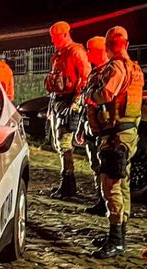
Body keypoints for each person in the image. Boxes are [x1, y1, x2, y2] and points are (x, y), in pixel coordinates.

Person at [85, 27, 143, 258]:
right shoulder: (135, 69)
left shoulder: (116, 67)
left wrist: (91, 95)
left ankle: (116, 239)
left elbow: (107, 93)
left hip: (115, 135)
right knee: (123, 183)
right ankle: (119, 234)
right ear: (126, 44)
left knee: (111, 186)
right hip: (128, 132)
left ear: (108, 46)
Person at [44, 21, 91, 200]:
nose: (53, 40)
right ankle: (66, 183)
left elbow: (85, 77)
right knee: (59, 144)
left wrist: (76, 103)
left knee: (64, 144)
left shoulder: (75, 51)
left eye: (55, 37)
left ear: (65, 35)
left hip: (68, 101)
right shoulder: (59, 54)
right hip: (58, 101)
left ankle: (68, 185)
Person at [83, 35, 108, 216]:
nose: (87, 53)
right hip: (91, 125)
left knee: (103, 166)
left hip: (103, 127)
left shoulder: (108, 72)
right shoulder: (94, 72)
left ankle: (106, 200)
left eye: (89, 50)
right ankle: (100, 198)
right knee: (95, 165)